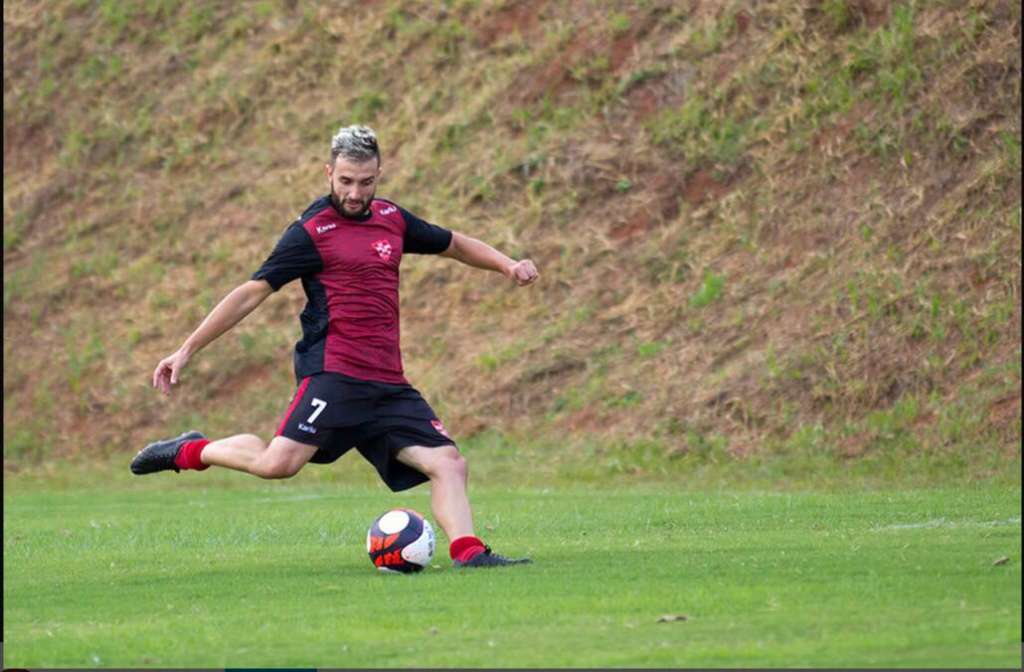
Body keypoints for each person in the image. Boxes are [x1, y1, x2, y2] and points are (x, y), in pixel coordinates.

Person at [132, 125, 539, 568]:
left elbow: (454, 244)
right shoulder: (311, 231)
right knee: (278, 465)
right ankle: (193, 450)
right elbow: (252, 291)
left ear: (379, 174)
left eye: (365, 182)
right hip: (335, 375)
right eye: (345, 181)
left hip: (387, 383)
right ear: (329, 173)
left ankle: (470, 553)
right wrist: (187, 349)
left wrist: (507, 265)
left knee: (449, 462)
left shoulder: (392, 220)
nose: (354, 192)